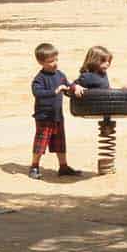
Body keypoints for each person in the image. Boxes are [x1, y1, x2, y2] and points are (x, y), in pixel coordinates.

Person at [30, 42, 83, 180]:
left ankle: (63, 167)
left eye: (56, 59)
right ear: (41, 62)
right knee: (40, 143)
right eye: (51, 61)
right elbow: (37, 93)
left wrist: (75, 88)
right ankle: (34, 166)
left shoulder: (60, 74)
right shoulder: (39, 79)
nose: (55, 63)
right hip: (44, 116)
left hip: (57, 116)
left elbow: (68, 85)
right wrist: (55, 91)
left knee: (60, 142)